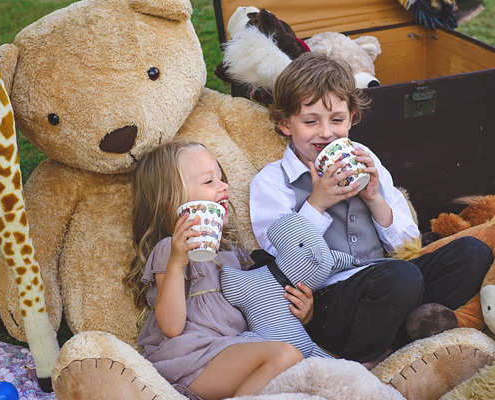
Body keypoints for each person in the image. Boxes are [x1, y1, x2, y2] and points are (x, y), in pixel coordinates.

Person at [250, 52, 493, 369]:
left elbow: (407, 244)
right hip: (327, 302)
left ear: (351, 118)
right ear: (285, 124)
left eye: (337, 120)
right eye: (310, 122)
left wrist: (375, 198)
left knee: (472, 252)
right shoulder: (271, 183)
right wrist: (317, 204)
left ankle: (403, 337)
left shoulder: (366, 160)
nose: (326, 133)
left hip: (392, 281)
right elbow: (282, 264)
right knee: (399, 277)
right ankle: (369, 355)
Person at [124, 140, 308, 400]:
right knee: (287, 356)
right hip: (190, 360)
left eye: (221, 178)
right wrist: (177, 262)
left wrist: (301, 311)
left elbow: (262, 303)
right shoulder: (170, 250)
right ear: (170, 200)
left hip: (232, 348)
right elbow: (171, 327)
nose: (224, 187)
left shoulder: (233, 253)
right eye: (209, 182)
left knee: (299, 362)